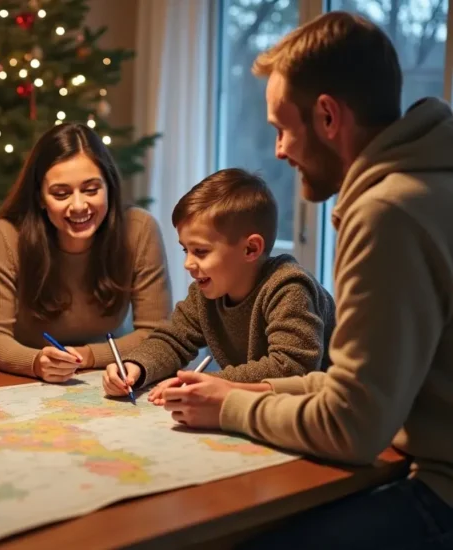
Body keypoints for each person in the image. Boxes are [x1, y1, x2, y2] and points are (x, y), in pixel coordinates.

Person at [160, 12, 453, 549]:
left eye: (281, 128)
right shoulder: (431, 183)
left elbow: (352, 427)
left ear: (326, 116)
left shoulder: (389, 212)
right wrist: (252, 386)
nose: (278, 150)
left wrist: (227, 408)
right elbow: (362, 386)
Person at [103, 168, 335, 398]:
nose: (188, 263)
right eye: (186, 250)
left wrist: (211, 382)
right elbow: (172, 340)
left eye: (200, 251)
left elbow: (291, 368)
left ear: (250, 249)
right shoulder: (205, 295)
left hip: (321, 417)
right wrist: (135, 367)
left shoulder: (290, 289)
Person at [0, 123, 171, 383]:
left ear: (109, 187)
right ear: (40, 198)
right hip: (26, 381)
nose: (79, 206)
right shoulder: (9, 235)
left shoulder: (139, 230)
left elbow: (156, 333)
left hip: (111, 377)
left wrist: (88, 356)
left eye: (91, 190)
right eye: (61, 193)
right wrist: (36, 362)